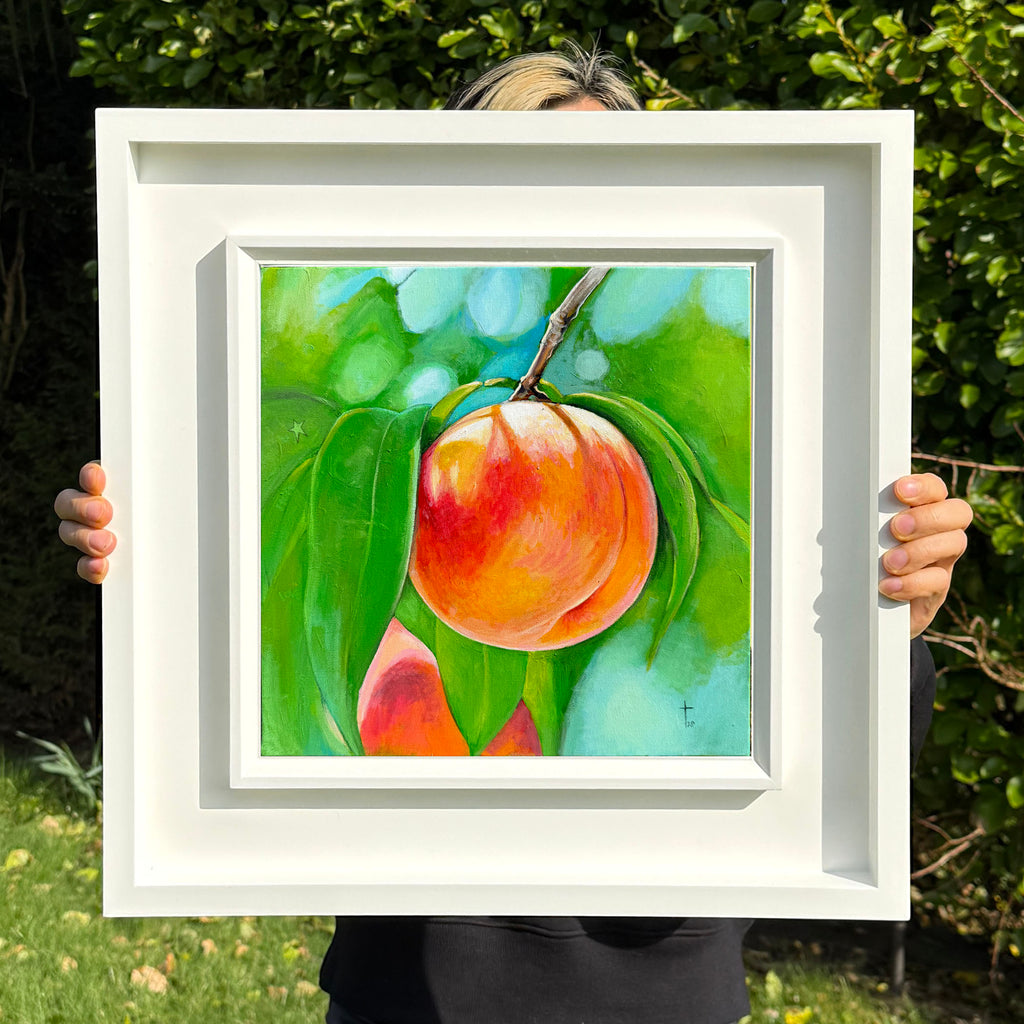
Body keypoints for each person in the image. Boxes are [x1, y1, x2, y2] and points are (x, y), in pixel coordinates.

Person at [55, 44, 972, 1024]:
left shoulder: (768, 393)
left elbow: (850, 775)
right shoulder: (413, 474)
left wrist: (893, 627)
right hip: (412, 992)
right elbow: (204, 726)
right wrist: (148, 573)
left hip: (667, 996)